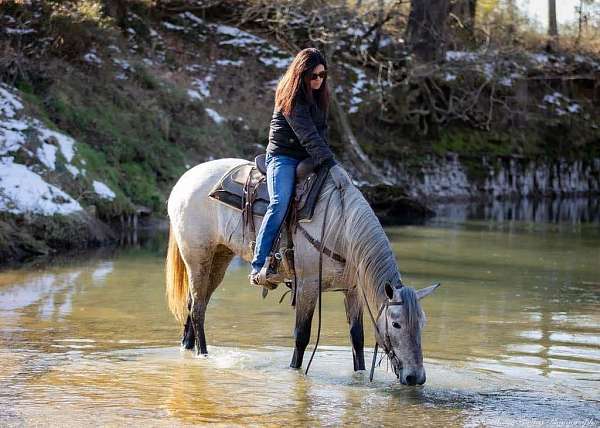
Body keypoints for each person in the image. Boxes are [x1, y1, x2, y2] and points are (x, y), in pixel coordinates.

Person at [249, 47, 337, 287]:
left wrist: (329, 163)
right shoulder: (291, 97)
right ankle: (259, 265)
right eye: (314, 76)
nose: (319, 80)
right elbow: (307, 134)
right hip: (283, 156)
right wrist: (327, 159)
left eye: (322, 75)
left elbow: (321, 134)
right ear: (302, 75)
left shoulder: (320, 97)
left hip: (307, 157)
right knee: (280, 202)